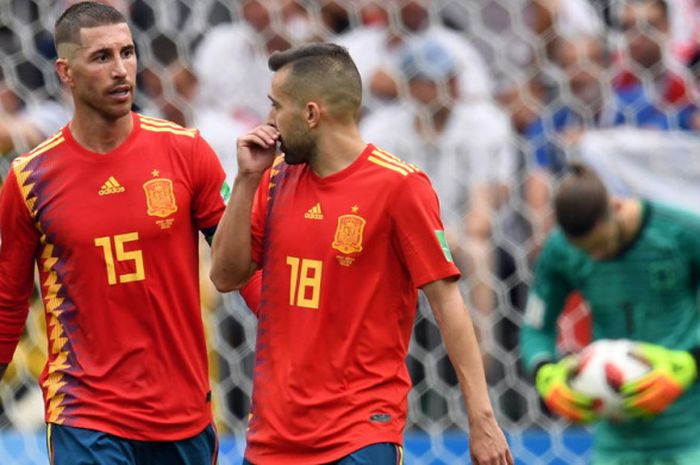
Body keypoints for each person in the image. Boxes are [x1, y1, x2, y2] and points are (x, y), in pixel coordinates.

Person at [209, 43, 513, 465]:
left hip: (359, 434)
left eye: (276, 107)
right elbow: (225, 277)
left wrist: (482, 420)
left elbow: (447, 304)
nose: (269, 122)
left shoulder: (399, 186)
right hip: (272, 438)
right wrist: (245, 180)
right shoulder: (274, 177)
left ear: (312, 114)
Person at [0, 3, 226, 464]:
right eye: (102, 57)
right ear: (65, 71)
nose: (122, 70)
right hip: (85, 413)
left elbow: (241, 266)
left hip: (182, 410)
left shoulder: (188, 152)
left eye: (127, 53)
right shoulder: (30, 178)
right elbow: (8, 300)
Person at [521, 162, 700, 464]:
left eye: (601, 245)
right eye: (586, 251)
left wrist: (690, 361)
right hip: (613, 440)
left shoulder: (682, 230)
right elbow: (535, 327)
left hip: (687, 434)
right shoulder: (560, 250)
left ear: (616, 206)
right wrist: (545, 373)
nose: (597, 256)